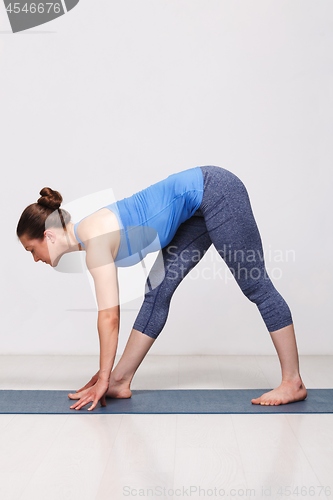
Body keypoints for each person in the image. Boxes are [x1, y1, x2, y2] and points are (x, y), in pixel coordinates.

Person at [16, 165, 307, 411]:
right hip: (195, 210)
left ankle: (292, 381)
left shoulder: (95, 240)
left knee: (255, 284)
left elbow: (110, 317)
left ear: (48, 235)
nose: (35, 258)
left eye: (32, 249)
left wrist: (101, 376)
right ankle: (121, 380)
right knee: (157, 292)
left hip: (216, 191)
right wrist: (109, 377)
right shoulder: (89, 235)